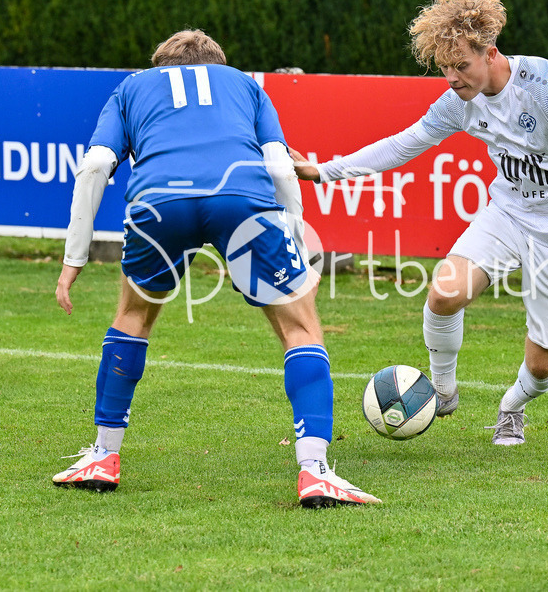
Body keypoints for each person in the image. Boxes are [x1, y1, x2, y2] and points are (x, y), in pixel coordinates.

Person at [293, 0, 548, 446]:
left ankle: (512, 406)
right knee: (445, 293)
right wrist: (323, 171)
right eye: (444, 68)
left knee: (542, 364)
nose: (452, 78)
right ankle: (443, 393)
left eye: (461, 65)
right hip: (510, 213)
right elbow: (403, 144)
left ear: (490, 52)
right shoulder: (459, 102)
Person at [53, 29, 379, 507]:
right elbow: (280, 166)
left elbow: (96, 165)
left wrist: (72, 259)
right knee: (301, 327)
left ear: (160, 65)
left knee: (132, 319)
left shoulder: (132, 87)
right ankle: (315, 471)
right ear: (216, 63)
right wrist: (296, 238)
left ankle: (104, 455)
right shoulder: (245, 85)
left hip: (160, 203)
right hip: (241, 199)